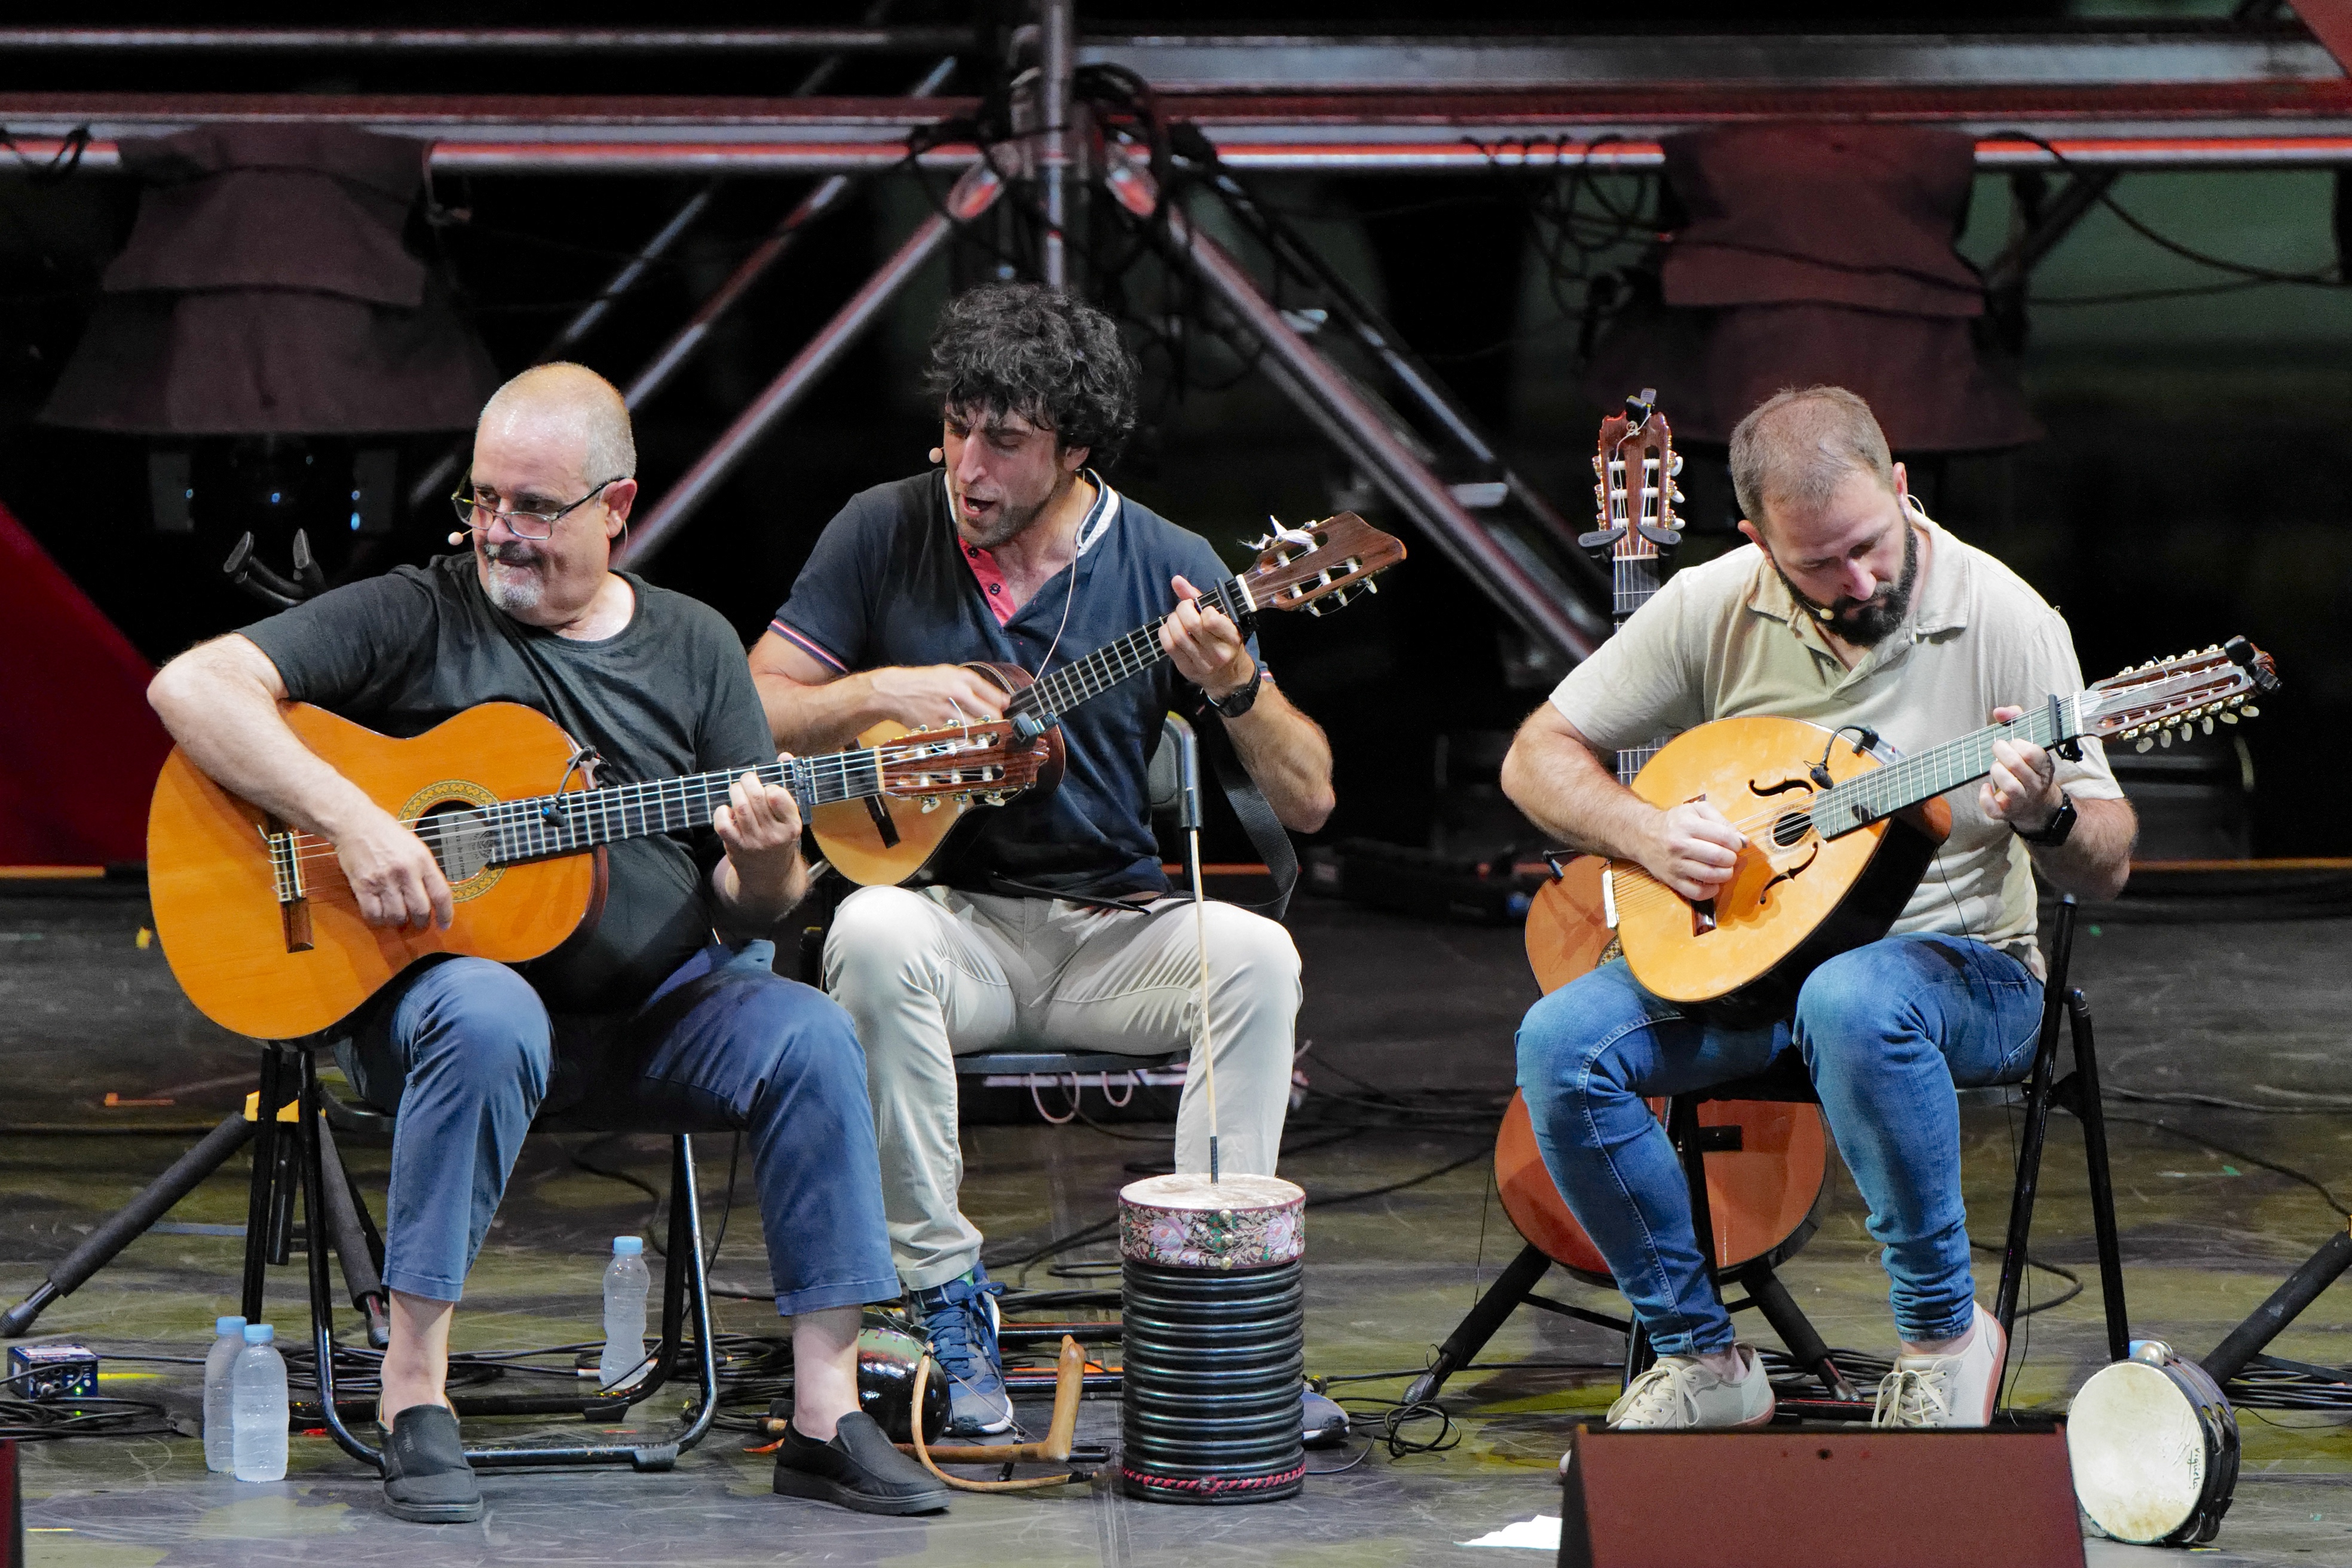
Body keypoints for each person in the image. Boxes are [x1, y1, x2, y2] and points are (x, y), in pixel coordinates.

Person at [147, 365, 948, 1521]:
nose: (497, 532)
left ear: (616, 509)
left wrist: (771, 857)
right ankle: (414, 1394)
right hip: (443, 1025)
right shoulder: (421, 611)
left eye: (533, 506)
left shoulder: (694, 645)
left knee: (812, 1033)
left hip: (656, 1018)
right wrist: (356, 820)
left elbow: (752, 907)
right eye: (483, 500)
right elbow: (196, 685)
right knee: (490, 1010)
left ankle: (825, 1417)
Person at [749, 284, 1337, 1436]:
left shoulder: (1167, 562)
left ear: (1075, 451)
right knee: (869, 930)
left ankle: (1211, 1303)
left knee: (1259, 960)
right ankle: (938, 1297)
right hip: (947, 928)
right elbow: (754, 704)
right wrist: (884, 691)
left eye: (1006, 442)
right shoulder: (883, 527)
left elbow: (1310, 799)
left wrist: (1235, 685)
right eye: (957, 428)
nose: (968, 467)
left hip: (1111, 936)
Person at [1502, 385, 2134, 1435]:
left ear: (1900, 486)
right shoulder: (1712, 602)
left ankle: (1945, 1338)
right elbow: (1537, 756)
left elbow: (2107, 867)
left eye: (1871, 545)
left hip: (1968, 975)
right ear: (1759, 544)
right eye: (1820, 565)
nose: (1860, 581)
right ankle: (1702, 1357)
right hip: (1759, 965)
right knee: (1561, 1044)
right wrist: (1643, 833)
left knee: (1852, 997)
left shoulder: (2007, 616)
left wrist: (2050, 813)